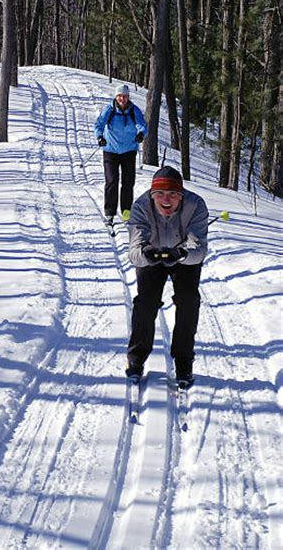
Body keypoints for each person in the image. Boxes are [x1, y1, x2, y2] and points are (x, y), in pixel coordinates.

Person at [126, 166, 209, 383]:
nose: (166, 200)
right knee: (146, 301)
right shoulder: (141, 207)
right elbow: (134, 252)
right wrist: (147, 253)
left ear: (181, 196)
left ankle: (183, 361)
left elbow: (198, 249)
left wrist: (181, 254)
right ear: (151, 195)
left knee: (188, 300)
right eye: (160, 194)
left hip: (183, 256)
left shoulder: (196, 206)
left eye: (173, 194)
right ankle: (136, 358)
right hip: (151, 255)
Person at [94, 84, 147, 223]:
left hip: (129, 150)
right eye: (120, 96)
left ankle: (126, 214)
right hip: (110, 150)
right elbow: (98, 124)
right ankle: (110, 213)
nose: (122, 99)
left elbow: (142, 125)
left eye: (125, 96)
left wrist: (141, 134)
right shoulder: (109, 110)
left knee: (128, 182)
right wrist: (100, 137)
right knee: (112, 181)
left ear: (128, 97)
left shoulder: (134, 110)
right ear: (116, 97)